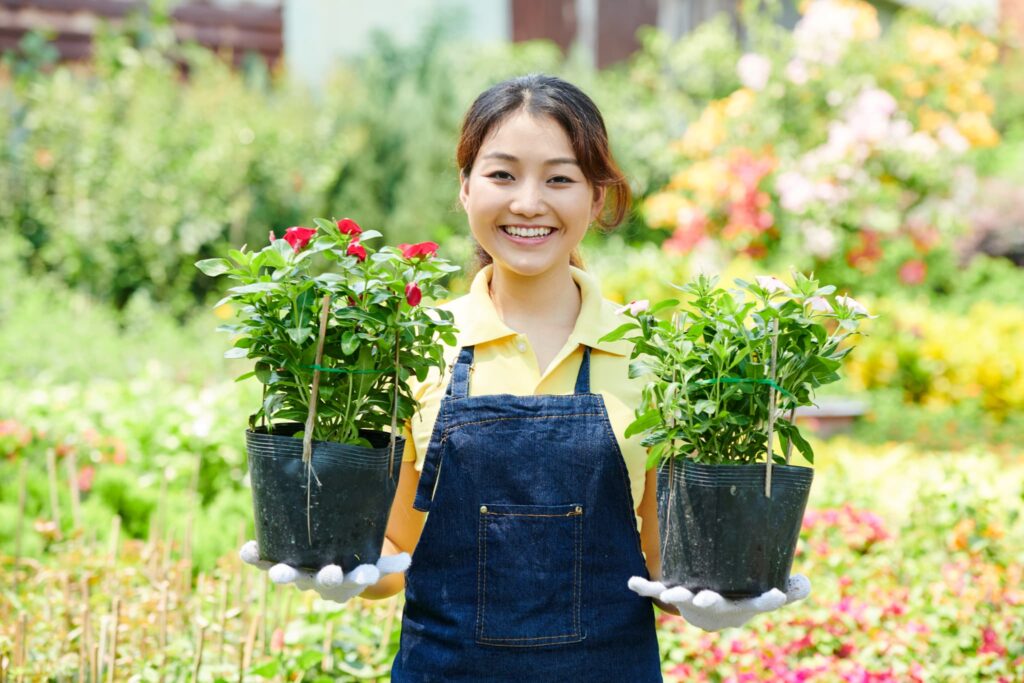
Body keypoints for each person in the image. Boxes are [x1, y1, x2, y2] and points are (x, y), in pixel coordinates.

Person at [241, 74, 810, 681]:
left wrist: (711, 598)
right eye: (503, 175)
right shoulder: (416, 346)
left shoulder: (654, 357)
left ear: (596, 198)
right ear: (465, 188)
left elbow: (660, 562)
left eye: (559, 179)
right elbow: (395, 549)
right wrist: (340, 570)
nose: (529, 203)